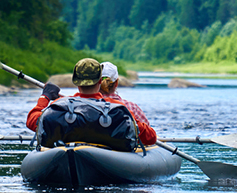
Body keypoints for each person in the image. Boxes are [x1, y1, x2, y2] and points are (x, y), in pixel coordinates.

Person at [26, 58, 157, 146]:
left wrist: (45, 97)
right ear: (100, 81)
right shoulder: (118, 108)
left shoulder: (61, 105)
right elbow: (151, 137)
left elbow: (32, 122)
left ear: (75, 81)